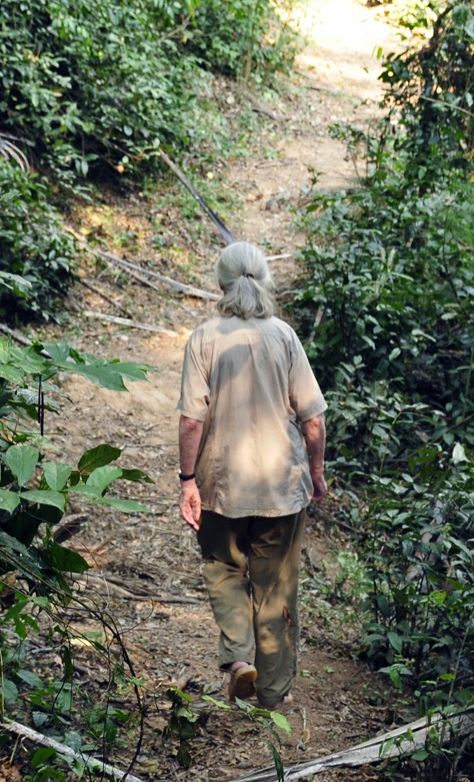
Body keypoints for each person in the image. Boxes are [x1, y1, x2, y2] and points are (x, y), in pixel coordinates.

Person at [176, 241, 327, 710]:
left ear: (220, 284)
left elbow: (190, 421)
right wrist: (317, 472)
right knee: (275, 585)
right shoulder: (284, 336)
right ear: (264, 281)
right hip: (282, 486)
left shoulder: (204, 337)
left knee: (224, 570)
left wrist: (187, 480)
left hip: (222, 484)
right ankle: (272, 695)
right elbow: (314, 419)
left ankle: (240, 662)